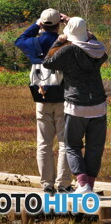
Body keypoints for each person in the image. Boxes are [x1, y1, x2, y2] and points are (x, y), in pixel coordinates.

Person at [43, 17, 108, 194]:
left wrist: (59, 40)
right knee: (95, 147)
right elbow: (97, 46)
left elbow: (48, 62)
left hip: (75, 105)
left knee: (72, 145)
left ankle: (82, 183)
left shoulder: (69, 51)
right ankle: (90, 186)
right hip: (98, 105)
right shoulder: (98, 51)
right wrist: (87, 33)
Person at [15, 8, 72, 193]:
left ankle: (46, 184)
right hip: (63, 97)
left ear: (42, 24)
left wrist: (36, 24)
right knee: (65, 143)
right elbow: (84, 41)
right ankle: (64, 184)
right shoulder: (66, 43)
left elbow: (19, 40)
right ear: (58, 24)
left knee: (43, 143)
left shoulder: (33, 43)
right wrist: (69, 22)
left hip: (42, 96)